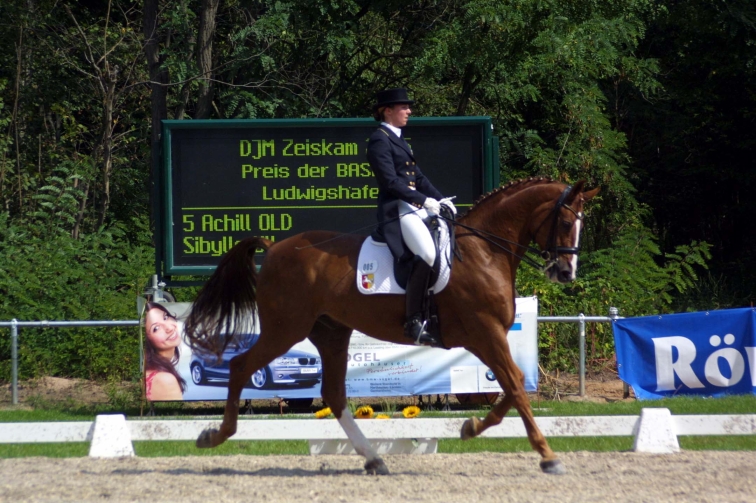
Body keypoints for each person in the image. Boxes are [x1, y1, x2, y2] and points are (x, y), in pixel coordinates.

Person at [366, 88, 456, 346]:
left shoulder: (399, 139)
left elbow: (419, 178)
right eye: (404, 107)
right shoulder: (379, 140)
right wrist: (423, 201)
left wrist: (441, 199)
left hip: (414, 206)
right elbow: (390, 182)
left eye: (408, 107)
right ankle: (413, 321)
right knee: (426, 253)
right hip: (397, 208)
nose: (409, 111)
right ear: (387, 110)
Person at [144, 301, 186, 400]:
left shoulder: (148, 371)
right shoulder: (165, 380)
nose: (169, 328)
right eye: (156, 328)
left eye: (165, 317)